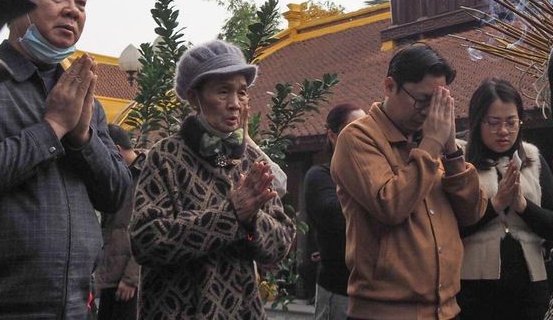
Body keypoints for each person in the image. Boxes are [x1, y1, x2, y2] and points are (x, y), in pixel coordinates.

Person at [0, 0, 131, 319]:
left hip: (76, 305)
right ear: (15, 7)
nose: (72, 10)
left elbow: (116, 195)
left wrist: (82, 138)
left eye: (80, 2)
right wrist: (51, 129)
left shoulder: (81, 92)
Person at [130, 40, 295, 319]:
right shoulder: (166, 156)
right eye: (222, 92)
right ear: (194, 98)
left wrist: (251, 220)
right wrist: (230, 215)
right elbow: (146, 241)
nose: (235, 104)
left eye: (242, 93)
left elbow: (281, 241)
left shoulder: (248, 161)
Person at [331, 43, 487, 319]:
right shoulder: (357, 138)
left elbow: (472, 213)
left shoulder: (432, 140)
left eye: (440, 102)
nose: (430, 112)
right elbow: (390, 205)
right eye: (423, 100)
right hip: (385, 311)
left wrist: (451, 152)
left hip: (446, 309)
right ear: (390, 86)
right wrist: (432, 144)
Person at [458, 78, 553, 320]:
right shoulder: (460, 162)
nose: (504, 131)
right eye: (494, 123)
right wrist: (496, 205)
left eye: (511, 122)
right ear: (477, 123)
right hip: (475, 287)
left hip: (531, 285)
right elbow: (450, 227)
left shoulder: (532, 157)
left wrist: (522, 206)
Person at [304, 103, 366, 320]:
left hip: (374, 291)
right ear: (333, 135)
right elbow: (336, 217)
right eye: (355, 129)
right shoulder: (320, 176)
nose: (364, 136)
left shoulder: (373, 174)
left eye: (367, 129)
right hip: (339, 290)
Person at [94, 124, 147, 320]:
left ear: (116, 150)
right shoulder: (116, 179)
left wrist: (131, 278)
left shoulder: (145, 178)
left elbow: (147, 231)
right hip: (109, 276)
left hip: (128, 283)